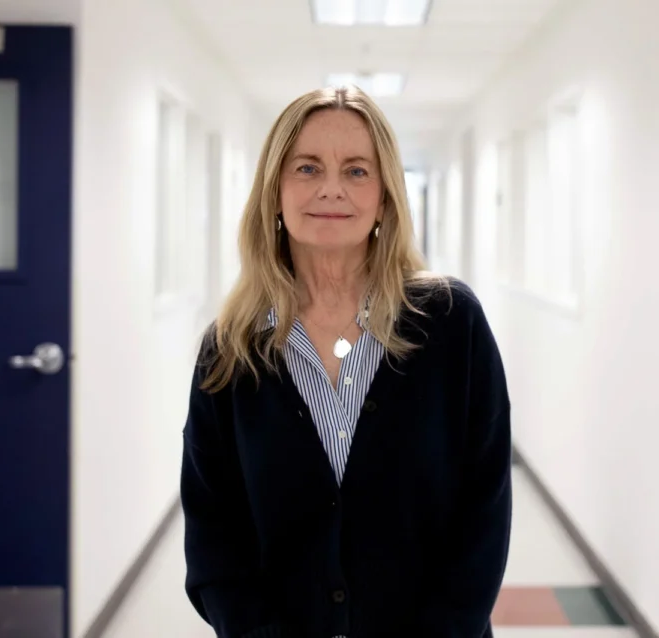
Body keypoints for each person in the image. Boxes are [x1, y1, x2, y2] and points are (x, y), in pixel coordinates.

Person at [180, 85, 512, 638]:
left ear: (385, 197)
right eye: (307, 168)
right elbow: (215, 539)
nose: (331, 189)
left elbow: (483, 515)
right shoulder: (231, 349)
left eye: (357, 171)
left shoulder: (451, 323)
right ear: (274, 192)